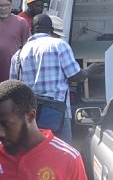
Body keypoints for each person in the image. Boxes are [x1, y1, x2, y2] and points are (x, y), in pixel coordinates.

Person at [9, 14, 103, 142]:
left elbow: (13, 87)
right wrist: (89, 70)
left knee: (34, 153)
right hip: (57, 113)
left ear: (31, 30)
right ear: (51, 29)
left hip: (29, 115)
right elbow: (75, 75)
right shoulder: (59, 45)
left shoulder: (18, 54)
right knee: (61, 154)